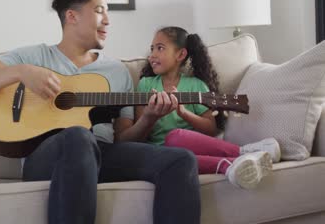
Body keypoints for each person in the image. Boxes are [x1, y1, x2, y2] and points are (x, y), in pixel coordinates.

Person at [0, 0, 201, 224]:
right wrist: (22, 71)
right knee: (79, 135)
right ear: (72, 16)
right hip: (48, 157)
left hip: (103, 153)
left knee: (181, 159)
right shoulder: (33, 56)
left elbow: (124, 138)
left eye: (107, 12)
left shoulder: (116, 71)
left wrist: (149, 118)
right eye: (99, 11)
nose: (107, 20)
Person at [120, 26, 281, 189]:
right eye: (152, 49)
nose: (152, 55)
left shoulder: (196, 85)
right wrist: (151, 115)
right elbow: (139, 138)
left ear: (180, 54)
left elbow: (210, 129)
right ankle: (235, 163)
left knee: (175, 137)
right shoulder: (145, 84)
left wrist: (183, 112)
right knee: (178, 156)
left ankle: (243, 152)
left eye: (160, 48)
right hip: (163, 154)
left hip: (192, 145)